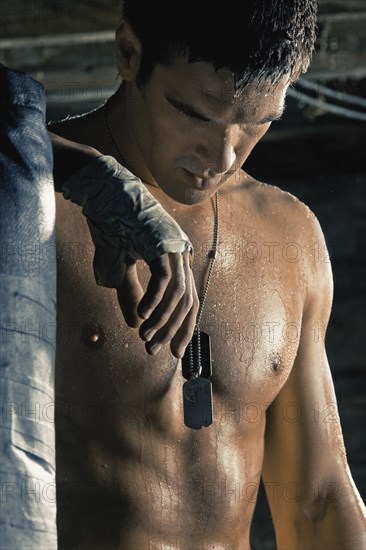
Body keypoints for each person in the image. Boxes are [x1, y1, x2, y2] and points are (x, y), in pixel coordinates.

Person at [49, 1, 366, 548]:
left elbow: (316, 501)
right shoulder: (31, 206)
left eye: (258, 121)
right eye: (196, 113)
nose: (222, 155)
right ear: (129, 53)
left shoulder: (289, 235)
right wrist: (83, 178)